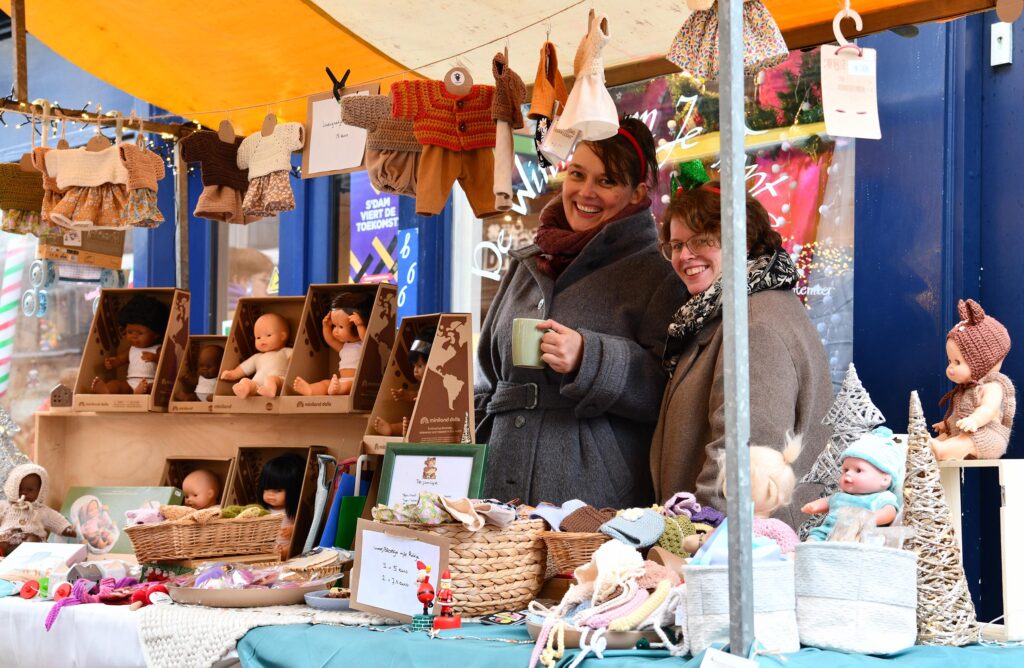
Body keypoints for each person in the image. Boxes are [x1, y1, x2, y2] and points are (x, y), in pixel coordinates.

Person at [475, 117, 688, 508]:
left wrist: (590, 357)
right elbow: (488, 376)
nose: (585, 192)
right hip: (497, 485)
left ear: (637, 194)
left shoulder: (656, 275)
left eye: (606, 181)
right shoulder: (526, 264)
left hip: (592, 498)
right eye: (577, 174)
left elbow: (672, 390)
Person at [649, 181, 832, 528]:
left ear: (743, 240)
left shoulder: (754, 323)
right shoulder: (727, 311)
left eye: (702, 240)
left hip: (746, 550)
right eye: (675, 245)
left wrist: (702, 536)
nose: (685, 255)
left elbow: (744, 460)